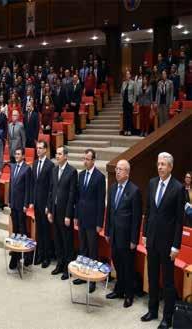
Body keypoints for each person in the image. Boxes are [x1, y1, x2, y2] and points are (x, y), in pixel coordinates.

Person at [141, 152, 184, 329]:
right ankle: (152, 310)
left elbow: (179, 221)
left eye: (163, 164)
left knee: (167, 282)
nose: (160, 167)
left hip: (168, 244)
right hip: (151, 240)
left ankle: (167, 317)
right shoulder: (152, 183)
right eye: (158, 164)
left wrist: (176, 245)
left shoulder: (178, 187)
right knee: (151, 277)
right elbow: (148, 211)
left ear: (171, 167)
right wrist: (144, 234)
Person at [104, 159, 142, 308]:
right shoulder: (113, 188)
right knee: (117, 263)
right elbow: (110, 213)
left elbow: (136, 219)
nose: (117, 171)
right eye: (117, 169)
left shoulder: (134, 191)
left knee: (128, 266)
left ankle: (129, 294)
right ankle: (119, 290)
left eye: (120, 169)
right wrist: (107, 231)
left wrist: (134, 239)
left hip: (127, 238)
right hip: (113, 235)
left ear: (127, 172)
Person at [73, 149, 106, 293]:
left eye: (87, 159)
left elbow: (100, 202)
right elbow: (77, 198)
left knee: (93, 250)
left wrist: (100, 223)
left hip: (93, 221)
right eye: (84, 158)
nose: (85, 161)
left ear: (93, 160)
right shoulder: (80, 175)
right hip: (81, 218)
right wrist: (75, 216)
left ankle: (92, 279)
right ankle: (82, 275)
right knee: (83, 248)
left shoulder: (99, 177)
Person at [47, 146, 77, 280]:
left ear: (66, 156)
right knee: (58, 240)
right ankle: (59, 264)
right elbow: (51, 191)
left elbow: (72, 195)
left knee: (67, 242)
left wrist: (68, 215)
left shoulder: (72, 172)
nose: (57, 156)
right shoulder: (54, 170)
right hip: (55, 210)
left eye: (59, 154)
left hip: (65, 213)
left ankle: (67, 268)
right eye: (56, 154)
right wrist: (49, 209)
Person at [29, 141, 54, 268]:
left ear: (46, 150)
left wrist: (48, 206)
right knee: (39, 230)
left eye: (40, 148)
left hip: (45, 205)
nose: (38, 150)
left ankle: (47, 257)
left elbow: (51, 188)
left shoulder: (50, 165)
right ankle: (39, 254)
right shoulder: (34, 163)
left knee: (46, 230)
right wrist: (32, 201)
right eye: (37, 148)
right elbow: (33, 184)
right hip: (37, 203)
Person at [8, 148, 32, 270]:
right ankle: (16, 254)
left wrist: (26, 204)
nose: (16, 156)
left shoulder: (27, 169)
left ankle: (26, 255)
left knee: (23, 230)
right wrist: (8, 200)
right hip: (13, 203)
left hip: (21, 204)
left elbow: (28, 188)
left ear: (23, 156)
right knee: (15, 230)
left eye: (19, 154)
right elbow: (11, 184)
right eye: (15, 154)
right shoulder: (12, 167)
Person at [121, 70, 137, 136]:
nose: (127, 75)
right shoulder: (123, 83)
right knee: (125, 116)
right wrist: (121, 101)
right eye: (126, 74)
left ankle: (130, 130)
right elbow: (121, 93)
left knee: (130, 116)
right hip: (124, 102)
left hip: (130, 102)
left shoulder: (133, 83)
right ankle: (125, 130)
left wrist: (134, 102)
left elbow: (135, 94)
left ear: (130, 75)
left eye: (128, 74)